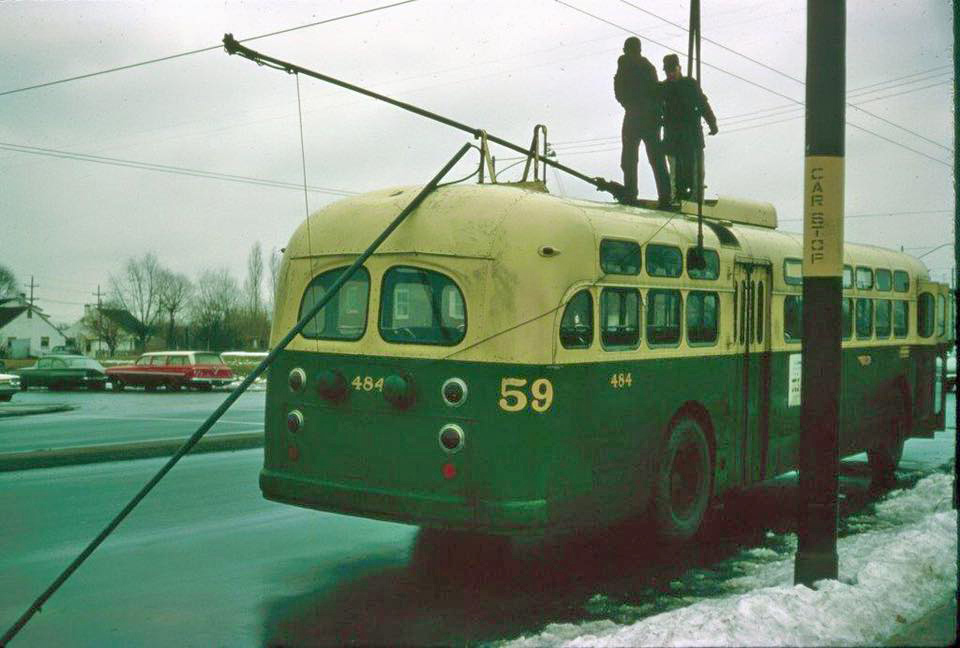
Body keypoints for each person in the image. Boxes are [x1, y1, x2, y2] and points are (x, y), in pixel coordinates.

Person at [614, 37, 670, 208]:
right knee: (656, 158)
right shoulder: (648, 67)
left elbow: (618, 92)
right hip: (649, 118)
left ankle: (630, 193)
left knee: (629, 158)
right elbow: (656, 91)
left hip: (632, 116)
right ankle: (666, 196)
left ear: (625, 49)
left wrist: (629, 105)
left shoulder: (623, 67)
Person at [660, 53, 718, 203]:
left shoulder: (690, 84)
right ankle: (677, 198)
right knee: (675, 173)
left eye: (672, 70)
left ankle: (696, 200)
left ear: (679, 67)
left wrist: (712, 122)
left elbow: (702, 104)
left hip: (691, 136)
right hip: (674, 138)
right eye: (667, 71)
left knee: (696, 173)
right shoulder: (664, 88)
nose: (670, 74)